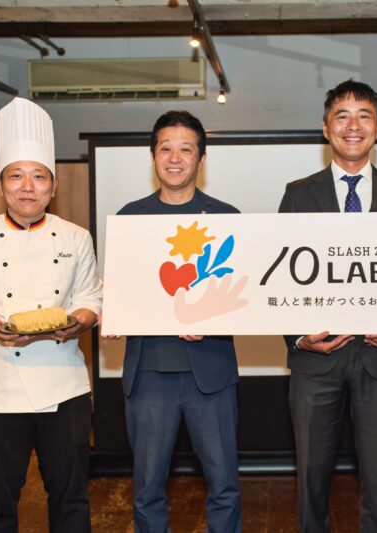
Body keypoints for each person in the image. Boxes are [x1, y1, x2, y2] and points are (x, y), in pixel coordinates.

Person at [0, 97, 102, 532]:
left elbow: (92, 299)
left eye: (38, 176)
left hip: (64, 386)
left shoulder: (76, 237)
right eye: (16, 175)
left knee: (70, 497)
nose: (28, 186)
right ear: (1, 184)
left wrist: (79, 321)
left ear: (53, 186)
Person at [278, 80, 377, 533]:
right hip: (316, 361)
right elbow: (280, 271)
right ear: (326, 128)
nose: (353, 125)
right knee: (311, 476)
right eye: (342, 115)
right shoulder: (298, 193)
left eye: (364, 115)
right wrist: (298, 338)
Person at [116, 110, 242, 533]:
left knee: (224, 483)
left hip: (212, 373)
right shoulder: (129, 218)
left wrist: (213, 316)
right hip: (149, 374)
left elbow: (244, 296)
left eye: (185, 149)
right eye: (165, 148)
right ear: (153, 157)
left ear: (201, 159)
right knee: (147, 486)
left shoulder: (227, 218)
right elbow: (122, 289)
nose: (175, 158)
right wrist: (113, 310)